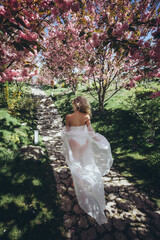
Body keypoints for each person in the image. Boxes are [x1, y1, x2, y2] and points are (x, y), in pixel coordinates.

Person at [61, 96, 113, 225]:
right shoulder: (86, 116)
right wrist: (98, 140)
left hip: (73, 141)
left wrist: (65, 134)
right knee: (86, 163)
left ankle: (78, 184)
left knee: (76, 163)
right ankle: (86, 182)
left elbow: (67, 130)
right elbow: (90, 131)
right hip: (84, 141)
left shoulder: (68, 117)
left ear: (75, 104)